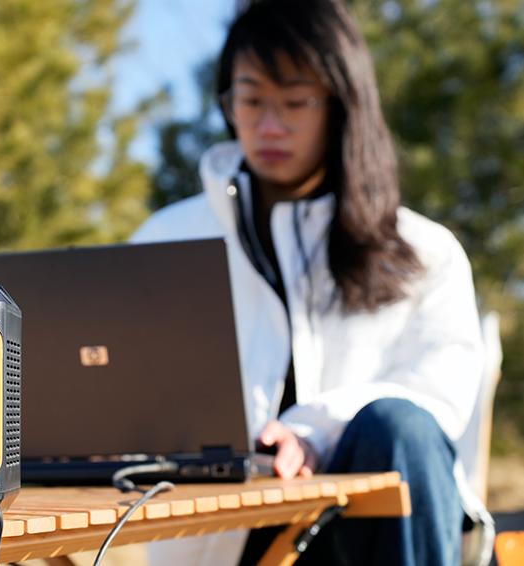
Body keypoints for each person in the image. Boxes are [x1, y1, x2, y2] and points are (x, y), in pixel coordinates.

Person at [130, 0, 488, 564]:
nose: (270, 126)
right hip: (224, 540)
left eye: (296, 102)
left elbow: (439, 396)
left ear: (342, 105)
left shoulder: (424, 252)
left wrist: (314, 430)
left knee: (399, 425)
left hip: (375, 535)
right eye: (251, 100)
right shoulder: (168, 239)